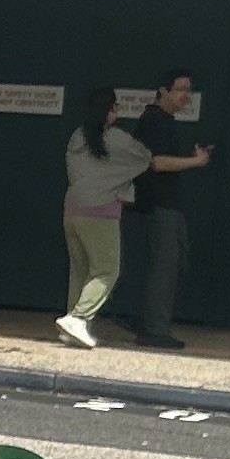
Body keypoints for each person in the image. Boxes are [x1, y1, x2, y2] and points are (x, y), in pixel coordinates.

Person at [125, 71, 214, 348]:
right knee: (164, 266)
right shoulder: (155, 121)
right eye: (181, 89)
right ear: (163, 91)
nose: (187, 95)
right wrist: (196, 162)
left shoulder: (162, 122)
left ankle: (152, 324)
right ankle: (154, 329)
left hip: (162, 203)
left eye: (189, 90)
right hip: (159, 204)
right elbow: (157, 162)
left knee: (167, 264)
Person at [56, 88, 149, 349]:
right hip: (101, 212)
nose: (118, 111)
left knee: (80, 270)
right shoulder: (116, 138)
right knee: (106, 270)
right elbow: (144, 158)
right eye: (115, 106)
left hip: (72, 210)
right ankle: (78, 318)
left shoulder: (77, 136)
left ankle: (71, 326)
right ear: (109, 110)